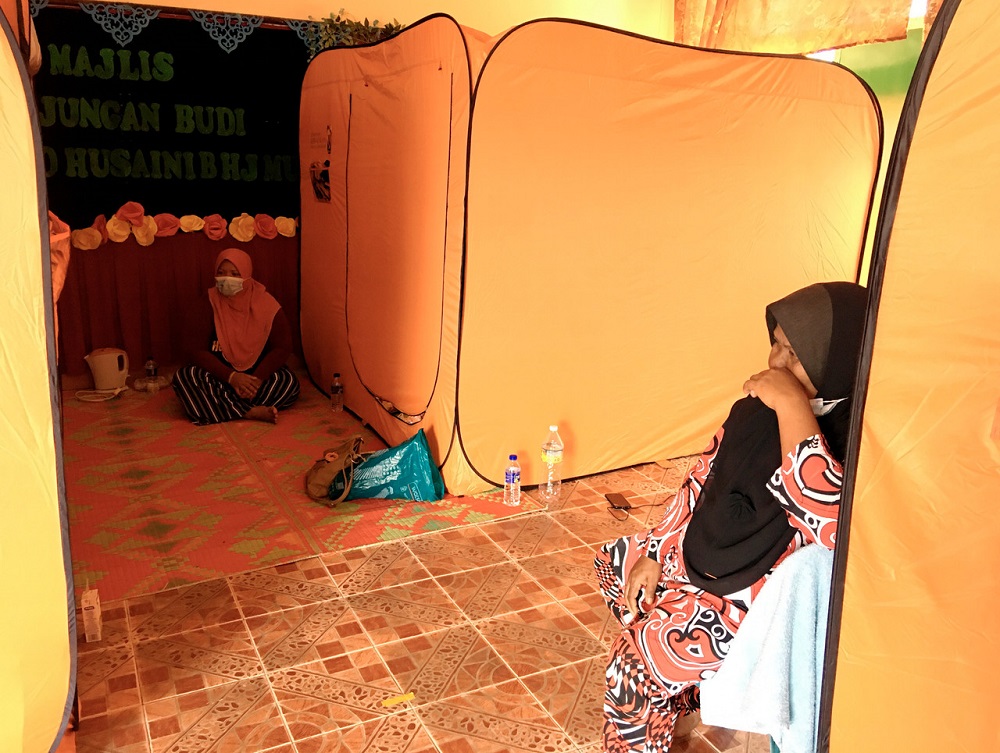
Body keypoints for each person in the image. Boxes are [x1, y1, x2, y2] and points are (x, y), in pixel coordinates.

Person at [593, 281, 867, 753]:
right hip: (705, 556)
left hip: (752, 592)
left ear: (839, 360)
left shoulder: (855, 436)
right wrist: (658, 552)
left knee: (632, 668)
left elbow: (829, 526)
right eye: (776, 345)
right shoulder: (752, 410)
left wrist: (792, 406)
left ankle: (667, 686)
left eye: (796, 355)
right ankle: (684, 692)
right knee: (615, 563)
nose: (776, 365)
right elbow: (701, 482)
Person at [172, 248, 300, 424]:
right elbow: (194, 350)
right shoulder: (206, 303)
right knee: (186, 377)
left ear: (247, 275)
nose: (227, 279)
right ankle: (249, 412)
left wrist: (257, 380)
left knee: (288, 382)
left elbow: (283, 347)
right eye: (221, 273)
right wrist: (232, 377)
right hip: (219, 379)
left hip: (255, 380)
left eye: (235, 273)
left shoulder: (267, 304)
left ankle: (223, 407)